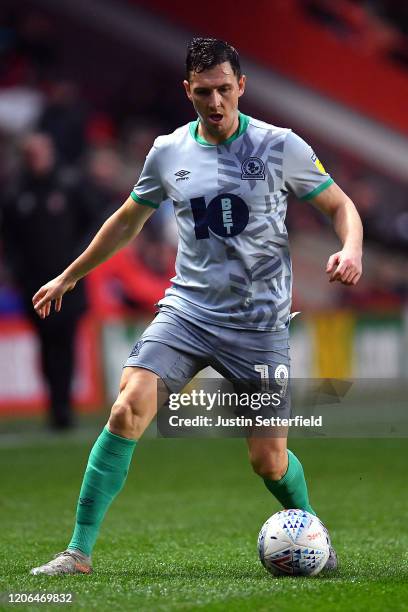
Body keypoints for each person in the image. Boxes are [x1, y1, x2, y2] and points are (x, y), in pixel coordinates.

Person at [30, 38, 363, 575]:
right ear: (188, 91)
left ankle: (310, 531)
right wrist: (70, 275)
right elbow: (126, 220)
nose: (215, 103)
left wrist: (349, 248)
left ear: (242, 87)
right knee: (125, 409)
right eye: (204, 92)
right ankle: (78, 552)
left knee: (268, 460)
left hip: (259, 327)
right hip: (187, 313)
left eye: (225, 90)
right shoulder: (168, 151)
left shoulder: (282, 146)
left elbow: (340, 205)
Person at [1, 132, 95, 429]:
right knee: (44, 343)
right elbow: (9, 238)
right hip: (34, 284)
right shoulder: (16, 193)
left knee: (65, 342)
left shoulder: (71, 185)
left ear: (50, 153)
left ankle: (64, 407)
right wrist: (16, 271)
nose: (35, 159)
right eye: (30, 154)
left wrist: (80, 261)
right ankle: (55, 406)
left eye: (39, 153)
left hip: (69, 281)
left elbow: (96, 223)